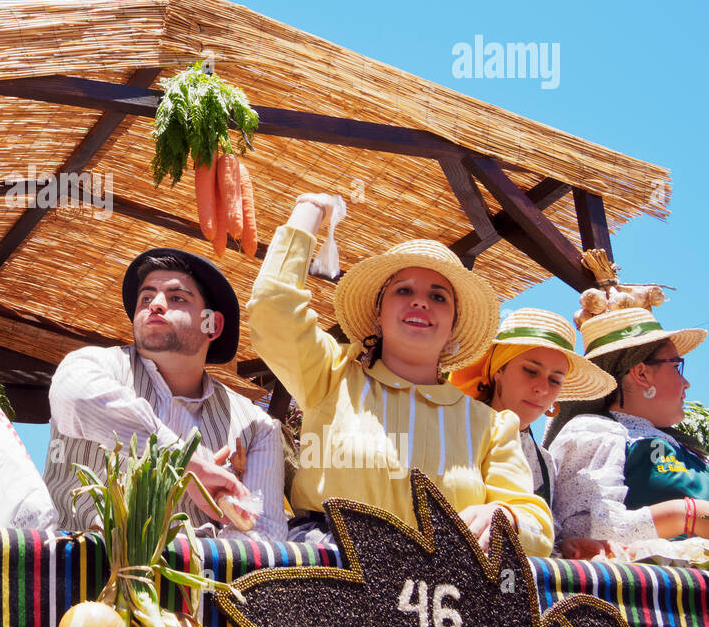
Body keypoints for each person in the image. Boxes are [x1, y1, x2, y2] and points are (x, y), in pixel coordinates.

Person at [247, 194, 554, 556]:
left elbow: (537, 530)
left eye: (438, 297)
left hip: (443, 594)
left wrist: (505, 516)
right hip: (329, 577)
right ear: (379, 313)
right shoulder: (331, 375)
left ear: (453, 325)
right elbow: (272, 309)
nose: (421, 302)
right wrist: (309, 211)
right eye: (403, 290)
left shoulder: (491, 427)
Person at [42, 248, 288, 543]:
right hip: (75, 573)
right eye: (146, 298)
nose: (155, 305)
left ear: (212, 324)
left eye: (177, 298)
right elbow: (77, 398)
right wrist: (187, 465)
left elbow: (264, 534)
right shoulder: (94, 366)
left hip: (197, 582)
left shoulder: (256, 426)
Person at [547, 306, 709, 545]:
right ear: (641, 374)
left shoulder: (687, 449)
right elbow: (581, 534)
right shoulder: (595, 432)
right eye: (676, 367)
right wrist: (687, 515)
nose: (686, 383)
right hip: (657, 581)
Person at [449, 307, 614, 509]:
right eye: (530, 371)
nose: (542, 389)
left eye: (555, 380)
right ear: (499, 369)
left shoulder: (544, 462)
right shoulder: (452, 431)